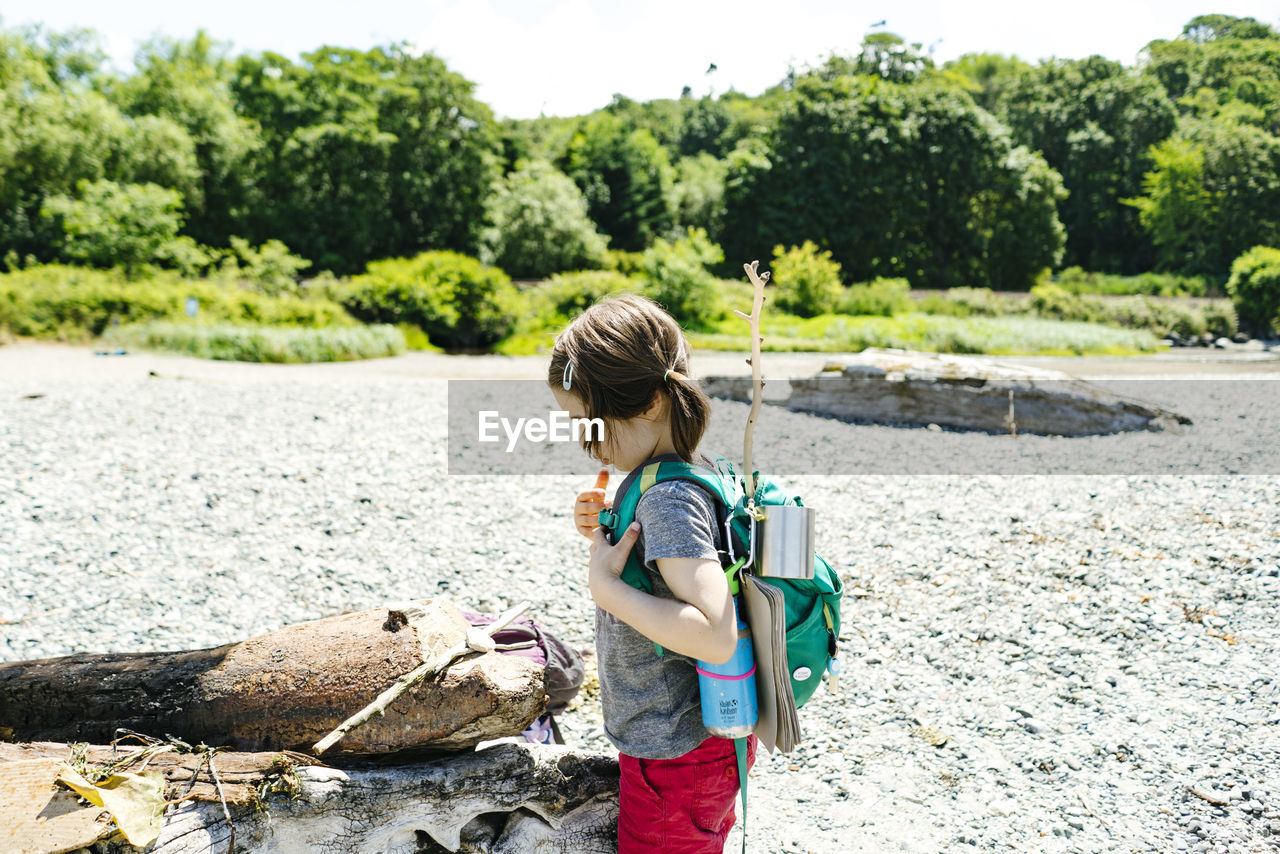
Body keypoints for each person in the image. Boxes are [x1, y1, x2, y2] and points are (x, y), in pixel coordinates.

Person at [548, 293, 758, 853]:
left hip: (679, 756)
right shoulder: (677, 473)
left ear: (647, 405)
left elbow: (713, 633)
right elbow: (667, 567)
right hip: (683, 746)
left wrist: (607, 590)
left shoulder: (666, 497)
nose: (584, 440)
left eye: (589, 422)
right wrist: (608, 530)